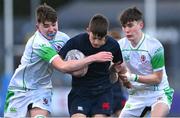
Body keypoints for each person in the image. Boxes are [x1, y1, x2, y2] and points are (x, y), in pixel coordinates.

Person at [4, 4, 113, 118]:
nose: (51, 29)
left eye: (54, 24)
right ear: (38, 27)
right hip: (20, 89)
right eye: (46, 26)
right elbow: (62, 66)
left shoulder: (63, 38)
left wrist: (83, 68)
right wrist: (93, 58)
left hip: (42, 88)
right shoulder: (38, 43)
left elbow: (72, 64)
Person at [58, 14, 124, 118]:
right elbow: (59, 62)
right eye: (93, 38)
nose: (96, 42)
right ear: (88, 30)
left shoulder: (113, 45)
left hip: (102, 92)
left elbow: (119, 65)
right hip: (80, 92)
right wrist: (74, 68)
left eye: (100, 38)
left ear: (106, 34)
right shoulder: (77, 41)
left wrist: (114, 71)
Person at [118, 7, 174, 117]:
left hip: (158, 93)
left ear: (140, 25)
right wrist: (121, 77)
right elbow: (120, 72)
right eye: (124, 26)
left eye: (130, 25)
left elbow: (157, 78)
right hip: (136, 95)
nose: (126, 30)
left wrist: (133, 77)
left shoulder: (155, 46)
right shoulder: (120, 45)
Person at [108, 30, 127, 117]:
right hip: (104, 94)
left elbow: (124, 80)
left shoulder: (122, 59)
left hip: (118, 94)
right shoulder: (103, 57)